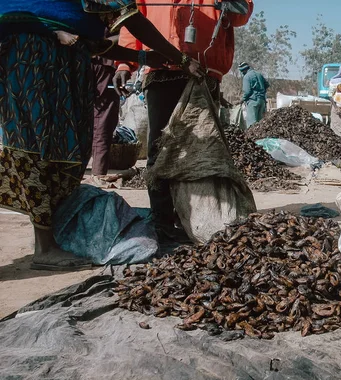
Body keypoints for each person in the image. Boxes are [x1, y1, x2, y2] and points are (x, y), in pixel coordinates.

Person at [0, 0, 204, 271]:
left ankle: (53, 233)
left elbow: (89, 41)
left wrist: (141, 58)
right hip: (32, 51)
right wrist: (181, 59)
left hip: (60, 52)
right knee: (41, 146)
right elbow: (134, 20)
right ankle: (45, 246)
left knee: (68, 148)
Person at [113, 0, 254, 245]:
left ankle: (198, 219)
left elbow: (241, 14)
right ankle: (163, 223)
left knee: (204, 150)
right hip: (161, 71)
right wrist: (126, 63)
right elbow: (133, 18)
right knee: (160, 151)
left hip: (204, 73)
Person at [90, 33, 120, 186]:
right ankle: (98, 173)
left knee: (100, 118)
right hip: (102, 61)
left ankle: (96, 172)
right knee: (103, 118)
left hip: (84, 57)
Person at [239, 62, 269, 127]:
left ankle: (252, 137)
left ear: (244, 70)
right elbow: (267, 85)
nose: (242, 73)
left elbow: (247, 91)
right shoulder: (259, 74)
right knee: (260, 125)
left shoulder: (247, 77)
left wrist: (242, 100)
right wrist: (262, 92)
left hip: (253, 102)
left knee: (252, 125)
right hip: (262, 101)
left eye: (242, 71)